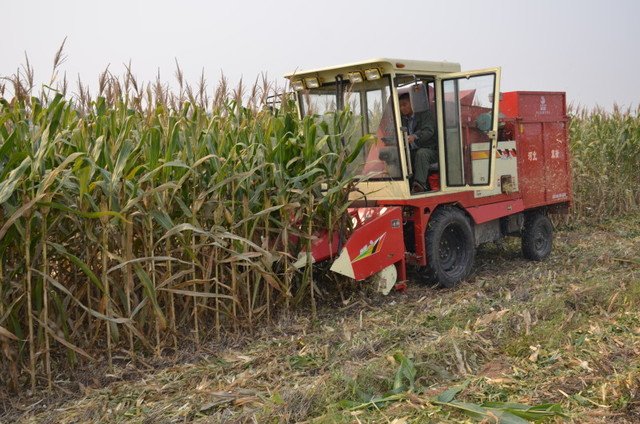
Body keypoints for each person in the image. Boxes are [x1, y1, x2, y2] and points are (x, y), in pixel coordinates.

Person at [398, 92, 438, 193]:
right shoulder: (402, 120)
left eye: (404, 105)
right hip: (413, 151)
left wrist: (414, 136)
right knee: (399, 156)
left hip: (432, 151)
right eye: (400, 106)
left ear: (413, 103)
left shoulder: (425, 115)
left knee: (421, 153)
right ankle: (402, 185)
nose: (402, 108)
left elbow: (428, 131)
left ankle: (419, 185)